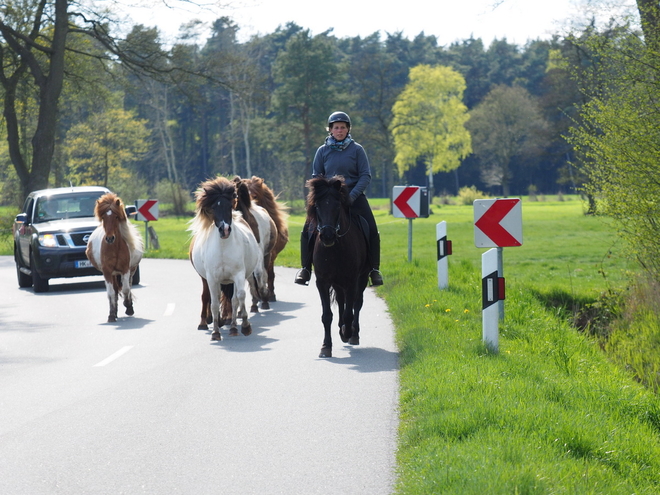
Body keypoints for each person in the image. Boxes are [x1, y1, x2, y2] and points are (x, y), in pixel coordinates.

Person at [294, 111, 383, 287]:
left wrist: (352, 196)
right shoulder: (322, 151)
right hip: (329, 200)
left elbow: (365, 176)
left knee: (372, 230)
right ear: (330, 130)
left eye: (343, 127)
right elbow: (316, 176)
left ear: (348, 129)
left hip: (353, 198)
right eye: (336, 128)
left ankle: (374, 270)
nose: (340, 130)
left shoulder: (357, 150)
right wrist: (325, 195)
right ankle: (305, 269)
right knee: (308, 230)